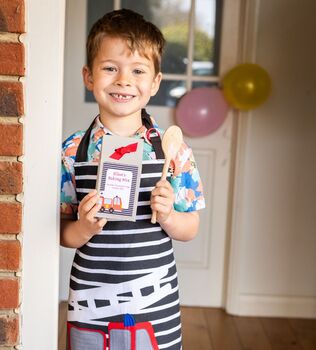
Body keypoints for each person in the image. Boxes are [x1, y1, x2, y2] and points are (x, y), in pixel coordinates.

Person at [60, 8, 205, 350]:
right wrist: (84, 226)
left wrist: (169, 216)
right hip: (91, 296)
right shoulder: (72, 151)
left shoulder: (172, 151)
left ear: (154, 82)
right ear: (88, 76)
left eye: (138, 70)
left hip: (155, 303)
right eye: (110, 68)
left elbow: (191, 228)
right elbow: (63, 233)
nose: (124, 80)